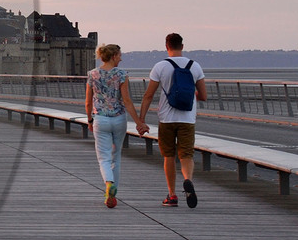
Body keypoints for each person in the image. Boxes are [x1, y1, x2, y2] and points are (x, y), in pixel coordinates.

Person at [137, 32, 207, 207]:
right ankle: (188, 180)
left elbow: (148, 95)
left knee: (169, 156)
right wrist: (189, 95)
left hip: (166, 119)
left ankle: (172, 195)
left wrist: (141, 120)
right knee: (186, 155)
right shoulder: (195, 66)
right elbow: (203, 96)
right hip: (187, 118)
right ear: (182, 46)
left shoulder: (160, 66)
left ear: (167, 46)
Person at [84, 43, 147, 208]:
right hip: (118, 119)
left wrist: (90, 120)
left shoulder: (92, 74)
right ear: (113, 56)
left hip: (101, 119)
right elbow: (127, 101)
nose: (121, 58)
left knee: (103, 157)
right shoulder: (121, 74)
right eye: (119, 55)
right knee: (115, 156)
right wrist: (139, 122)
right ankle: (113, 192)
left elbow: (88, 102)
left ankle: (108, 185)